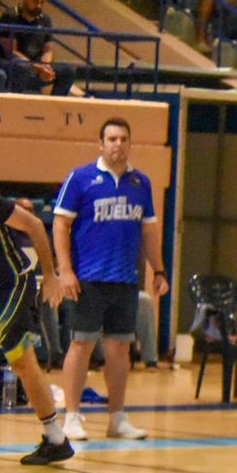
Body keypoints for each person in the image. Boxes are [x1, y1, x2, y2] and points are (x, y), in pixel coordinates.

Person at [53, 118, 166, 442]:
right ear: (101, 144)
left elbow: (148, 230)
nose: (118, 144)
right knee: (82, 344)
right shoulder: (81, 178)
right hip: (87, 278)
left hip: (125, 279)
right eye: (112, 139)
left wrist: (158, 270)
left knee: (119, 349)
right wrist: (65, 271)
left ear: (130, 143)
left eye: (123, 139)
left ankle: (117, 418)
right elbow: (60, 224)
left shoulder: (141, 183)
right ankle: (71, 416)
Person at [0, 187, 70, 464]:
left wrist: (50, 275)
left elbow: (34, 225)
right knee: (24, 364)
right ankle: (56, 439)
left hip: (11, 286)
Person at [0, 0, 75, 96]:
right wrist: (37, 67)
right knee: (21, 67)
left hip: (36, 66)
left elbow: (48, 50)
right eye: (35, 1)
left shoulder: (45, 20)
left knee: (68, 70)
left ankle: (55, 104)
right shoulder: (10, 16)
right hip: (7, 63)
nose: (38, 6)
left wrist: (46, 66)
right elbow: (11, 52)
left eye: (42, 3)